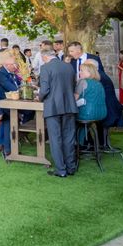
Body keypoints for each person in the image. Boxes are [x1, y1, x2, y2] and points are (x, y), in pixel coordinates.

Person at [38, 49, 77, 178]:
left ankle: (61, 169)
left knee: (55, 139)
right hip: (69, 105)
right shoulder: (68, 67)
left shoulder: (45, 68)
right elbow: (73, 85)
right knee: (69, 137)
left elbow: (44, 89)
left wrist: (39, 97)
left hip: (53, 106)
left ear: (44, 57)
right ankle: (71, 167)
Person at [0, 50, 20, 156]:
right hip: (1, 102)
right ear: (8, 64)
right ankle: (8, 147)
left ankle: (1, 143)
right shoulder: (2, 73)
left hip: (7, 101)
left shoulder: (9, 72)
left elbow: (17, 84)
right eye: (14, 64)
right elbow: (13, 88)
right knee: (9, 120)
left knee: (7, 120)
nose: (16, 66)